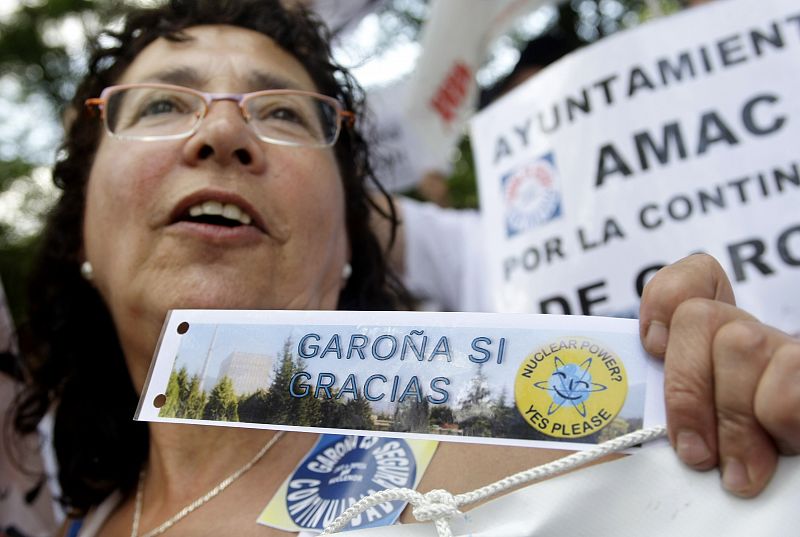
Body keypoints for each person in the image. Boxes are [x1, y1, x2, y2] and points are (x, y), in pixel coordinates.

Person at [9, 1, 798, 536]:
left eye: (283, 111)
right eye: (160, 106)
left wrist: (738, 415)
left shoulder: (586, 455)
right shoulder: (64, 517)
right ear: (82, 227)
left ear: (355, 239)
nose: (221, 133)